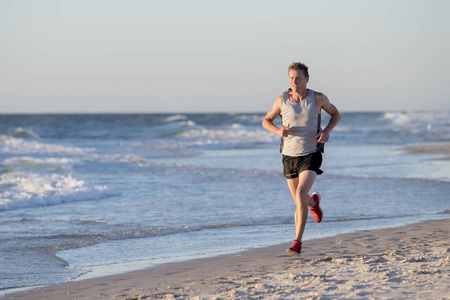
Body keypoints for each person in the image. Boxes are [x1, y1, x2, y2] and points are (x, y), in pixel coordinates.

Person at [262, 62, 341, 257]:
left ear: (306, 79)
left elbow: (336, 114)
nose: (294, 81)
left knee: (299, 195)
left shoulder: (318, 98)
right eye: (291, 78)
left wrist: (327, 131)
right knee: (300, 201)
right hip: (289, 156)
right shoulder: (281, 100)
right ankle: (313, 203)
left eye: (298, 78)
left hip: (311, 153)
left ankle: (297, 242)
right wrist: (278, 131)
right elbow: (266, 121)